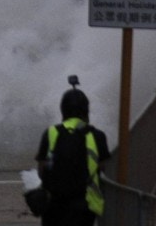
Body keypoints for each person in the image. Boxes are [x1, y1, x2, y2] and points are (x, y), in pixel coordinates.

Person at [33, 79, 109, 226]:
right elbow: (103, 168)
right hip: (85, 207)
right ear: (86, 111)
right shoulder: (97, 136)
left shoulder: (50, 133)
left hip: (53, 207)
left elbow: (42, 171)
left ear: (63, 110)